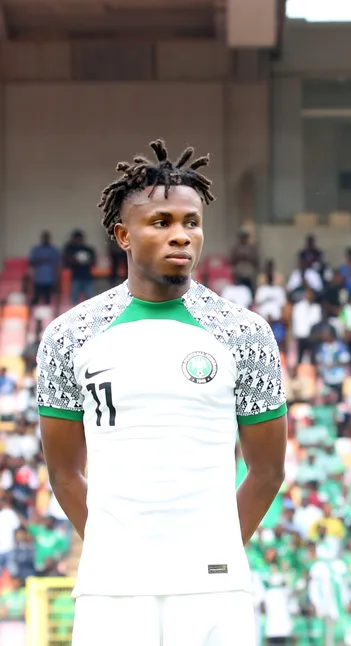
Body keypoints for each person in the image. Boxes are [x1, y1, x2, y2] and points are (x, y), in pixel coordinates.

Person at [36, 139, 288, 646]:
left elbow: (267, 470)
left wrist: (215, 549)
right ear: (123, 235)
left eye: (191, 222)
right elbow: (63, 471)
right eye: (162, 223)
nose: (181, 236)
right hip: (113, 584)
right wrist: (115, 545)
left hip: (213, 584)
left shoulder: (245, 332)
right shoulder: (70, 334)